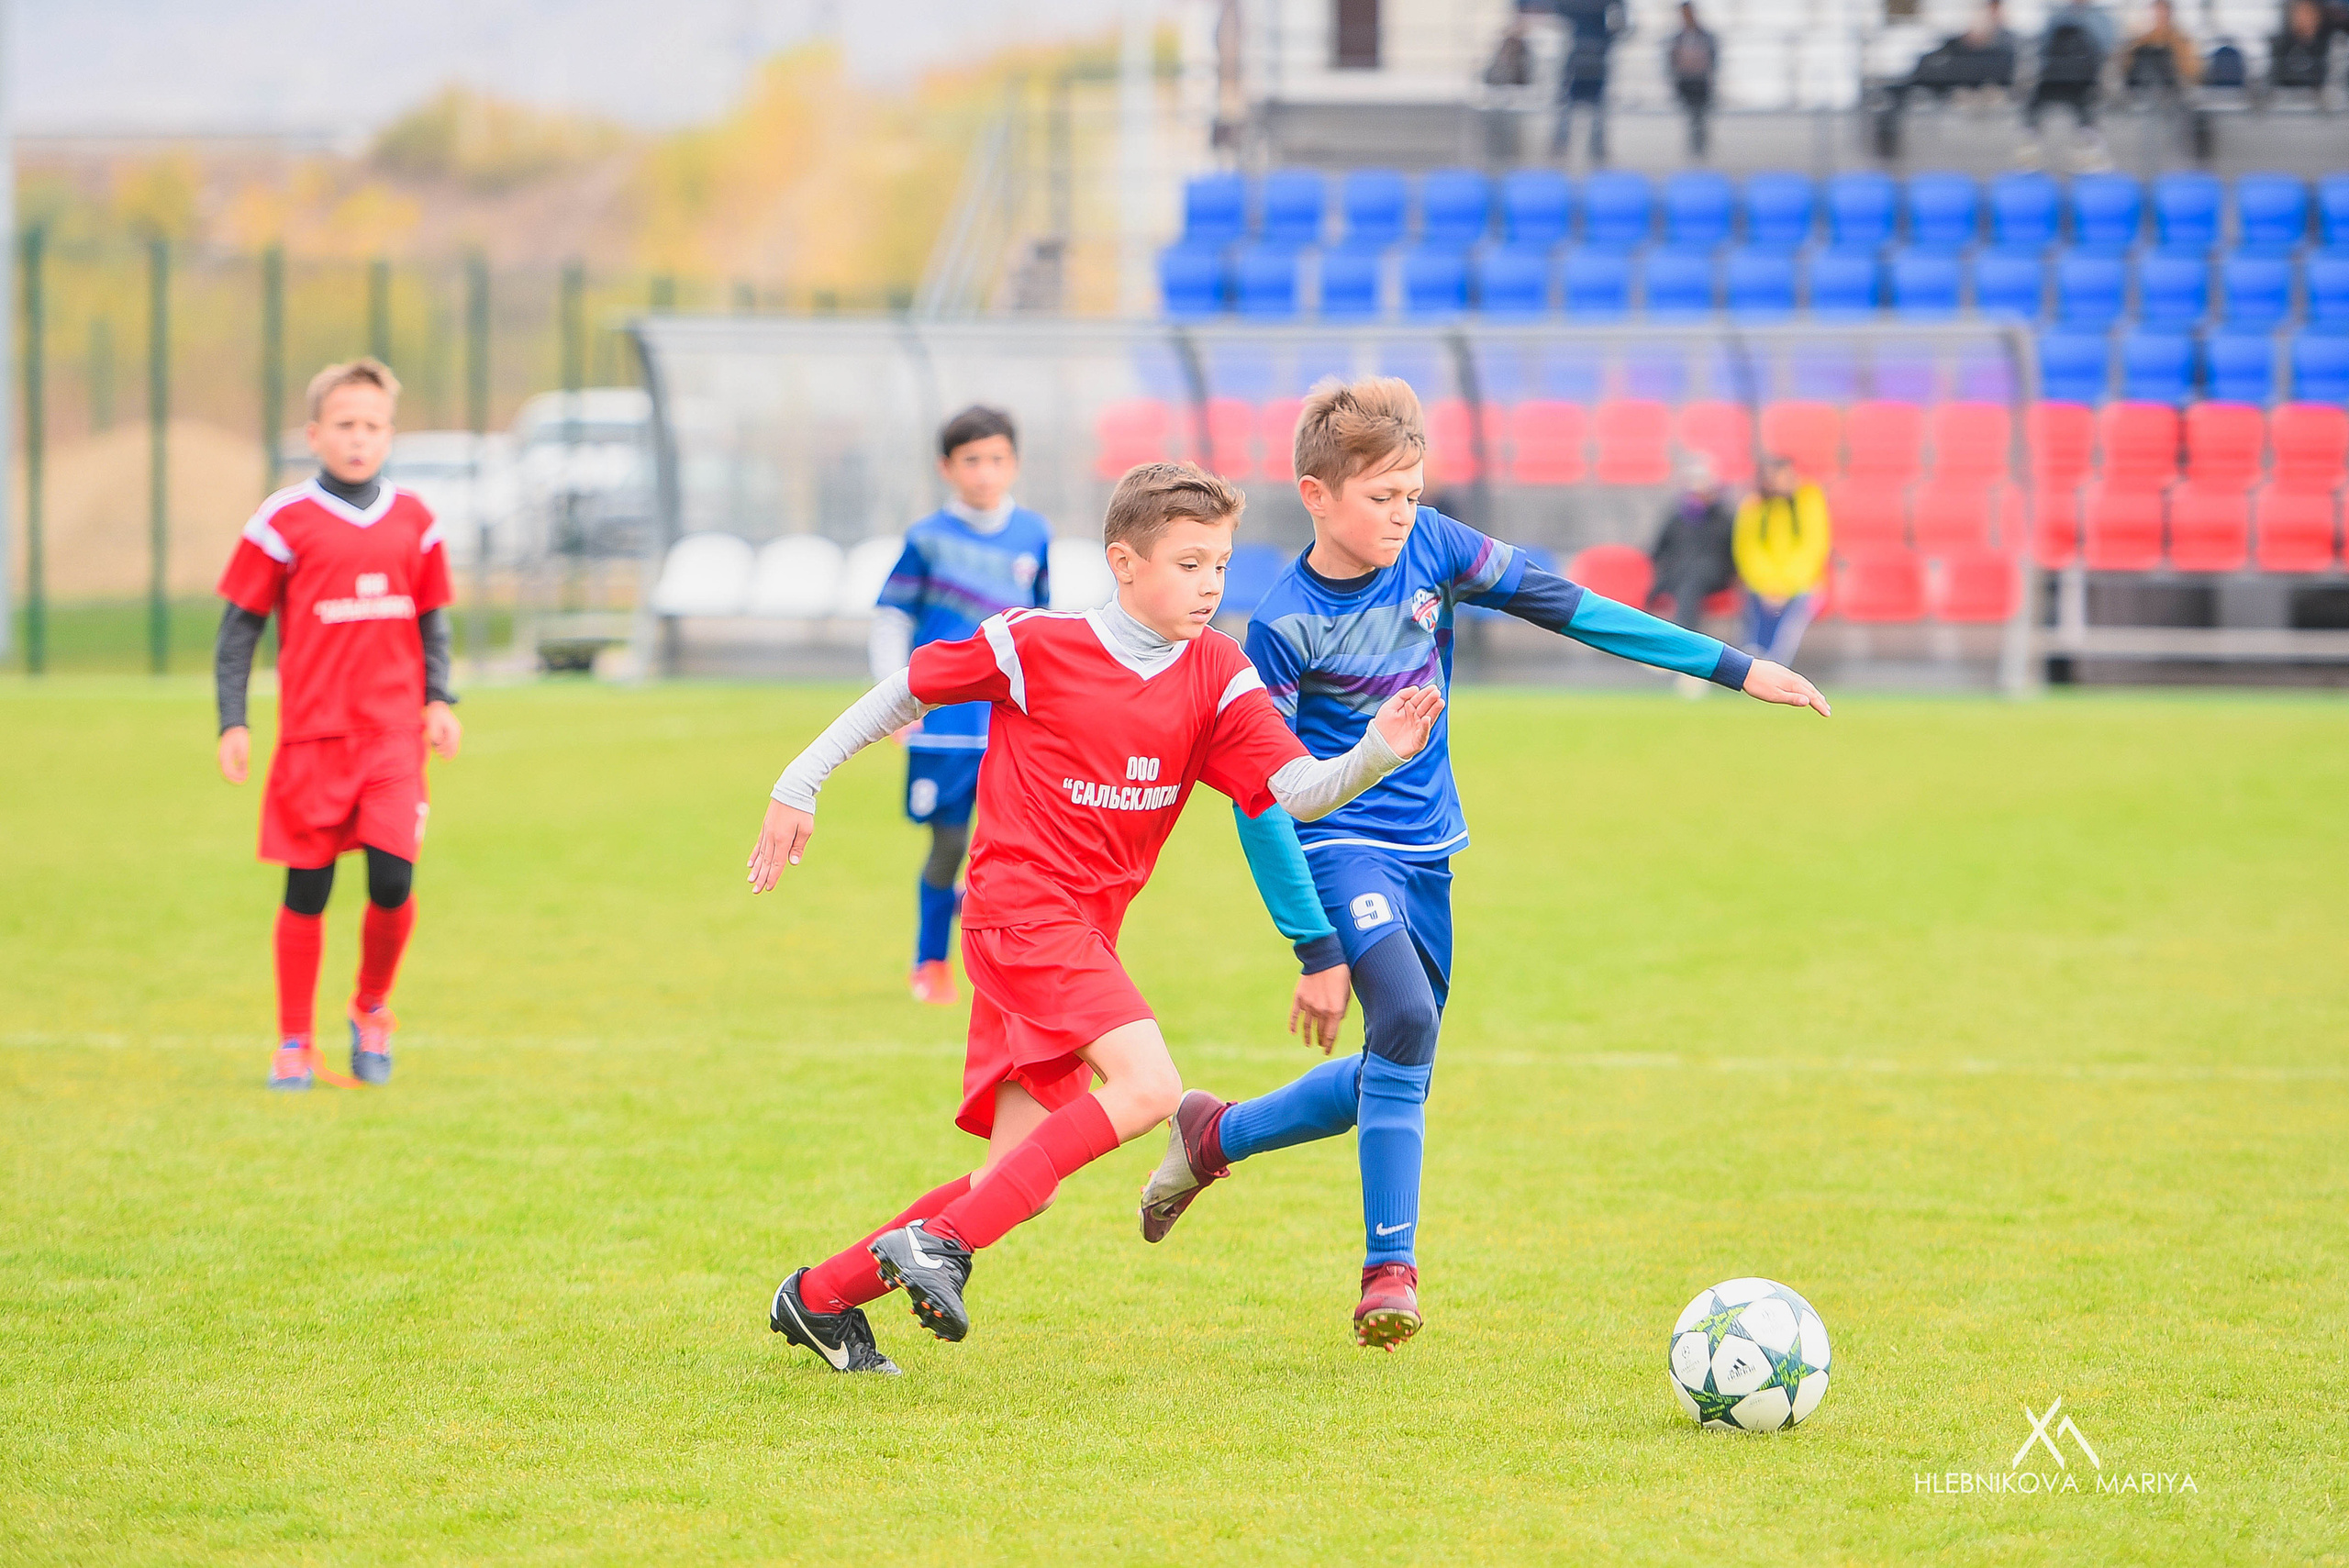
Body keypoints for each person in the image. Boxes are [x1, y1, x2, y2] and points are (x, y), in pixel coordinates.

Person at [1135, 378, 1831, 1351]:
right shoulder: (1281, 624)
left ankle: (1215, 1134)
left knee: (1395, 1065)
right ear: (1316, 493)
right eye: (1382, 496)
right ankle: (1390, 1272)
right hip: (1341, 846)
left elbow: (1572, 606)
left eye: (1412, 493)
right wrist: (1312, 945)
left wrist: (1733, 665)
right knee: (1408, 1021)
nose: (1402, 513)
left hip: (1429, 852)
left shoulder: (1437, 547)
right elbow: (1263, 795)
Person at [755, 462, 1443, 1373]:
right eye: (1189, 563)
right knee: (1153, 1086)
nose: (1210, 585)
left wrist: (1373, 752)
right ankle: (945, 1246)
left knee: (1012, 1182)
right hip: (1016, 908)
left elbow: (1296, 792)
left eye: (1221, 565)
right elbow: (907, 688)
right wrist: (799, 780)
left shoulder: (1218, 672)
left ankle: (818, 1296)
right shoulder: (1033, 643)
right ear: (1124, 561)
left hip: (1079, 930)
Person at [213, 359, 461, 1091]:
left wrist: (439, 700)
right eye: (345, 425)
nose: (360, 439)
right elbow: (239, 631)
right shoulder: (282, 520)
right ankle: (293, 1041)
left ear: (391, 434)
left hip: (391, 740)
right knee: (307, 892)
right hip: (311, 742)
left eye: (374, 426)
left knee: (392, 878)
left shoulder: (416, 519)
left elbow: (432, 621)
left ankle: (371, 1007)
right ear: (315, 433)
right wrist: (234, 721)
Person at [869, 406, 1052, 1006]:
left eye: (997, 458)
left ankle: (1000, 964)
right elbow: (892, 616)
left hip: (1006, 724)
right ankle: (930, 960)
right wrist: (898, 699)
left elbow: (1042, 627)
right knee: (949, 846)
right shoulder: (926, 539)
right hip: (944, 724)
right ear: (947, 467)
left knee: (1011, 852)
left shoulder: (1034, 534)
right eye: (972, 459)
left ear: (1016, 464)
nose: (985, 471)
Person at [1732, 456, 1831, 668]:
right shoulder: (1754, 505)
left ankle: (1775, 665)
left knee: (1793, 615)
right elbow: (1747, 550)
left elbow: (1813, 548)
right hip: (1761, 587)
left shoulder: (1808, 500)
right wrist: (1768, 585)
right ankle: (1753, 660)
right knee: (1753, 606)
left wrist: (1785, 586)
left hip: (1801, 585)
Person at [1648, 452, 1738, 644]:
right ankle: (1650, 644)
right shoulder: (1677, 518)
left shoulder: (1725, 519)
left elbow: (1732, 554)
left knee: (1691, 582)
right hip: (1679, 573)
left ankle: (1681, 644)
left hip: (1711, 576)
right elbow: (1657, 550)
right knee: (1660, 588)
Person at [2021, 0, 2117, 167]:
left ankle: (2088, 148)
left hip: (2086, 81)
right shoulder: (2056, 18)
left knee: (2087, 106)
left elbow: (2105, 53)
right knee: (2033, 101)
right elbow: (2044, 51)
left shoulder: (2102, 19)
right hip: (2054, 79)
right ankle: (2029, 149)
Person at [1530, 0, 1627, 162]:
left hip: (1598, 55)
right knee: (1566, 102)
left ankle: (1597, 150)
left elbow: (1621, 22)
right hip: (1576, 54)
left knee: (1598, 105)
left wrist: (1608, 40)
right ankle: (1559, 149)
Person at [1664, 2, 1721, 159]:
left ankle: (1700, 148)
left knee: (1700, 117)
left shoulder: (1706, 37)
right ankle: (1691, 149)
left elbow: (1713, 59)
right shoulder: (1677, 39)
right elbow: (1671, 63)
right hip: (1684, 84)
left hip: (1701, 84)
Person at [2123, 0, 2202, 90]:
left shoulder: (2183, 42)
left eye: (2164, 10)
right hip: (2144, 91)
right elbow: (2127, 70)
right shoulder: (2141, 42)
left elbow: (2192, 73)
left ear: (2170, 12)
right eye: (2157, 11)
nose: (2160, 15)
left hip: (2175, 92)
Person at [2269, 0, 2332, 90]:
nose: (2304, 18)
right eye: (2300, 12)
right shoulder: (2280, 45)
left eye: (2309, 13)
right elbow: (2274, 79)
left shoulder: (2328, 44)